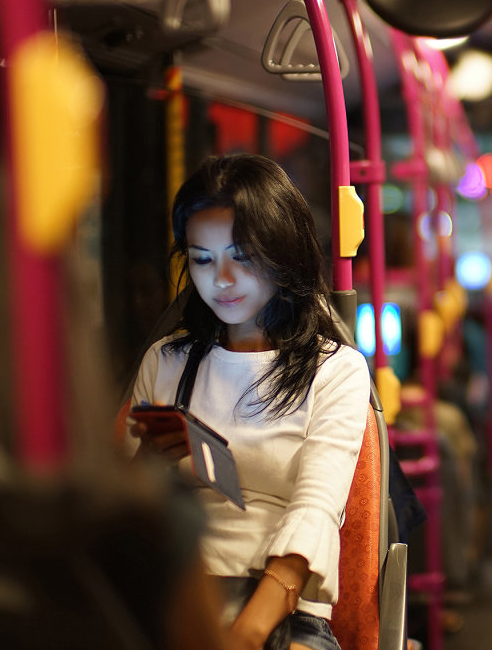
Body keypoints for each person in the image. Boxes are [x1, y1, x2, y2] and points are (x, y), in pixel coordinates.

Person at [126, 154, 371, 650]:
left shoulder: (335, 371)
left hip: (284, 603)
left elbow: (315, 508)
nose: (221, 279)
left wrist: (245, 635)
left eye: (242, 256)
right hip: (174, 597)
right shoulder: (166, 361)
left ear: (283, 254)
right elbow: (127, 512)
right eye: (202, 259)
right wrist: (147, 468)